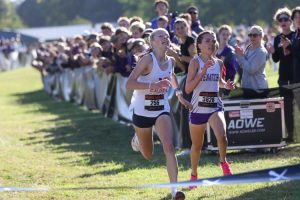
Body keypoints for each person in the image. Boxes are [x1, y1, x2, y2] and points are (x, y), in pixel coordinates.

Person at [126, 28, 192, 200]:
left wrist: (179, 94)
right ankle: (137, 139)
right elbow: (129, 84)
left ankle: (175, 191)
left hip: (161, 109)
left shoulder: (170, 61)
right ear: (152, 41)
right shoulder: (147, 60)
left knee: (169, 147)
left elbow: (171, 77)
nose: (165, 38)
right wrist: (152, 87)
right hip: (141, 111)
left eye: (167, 36)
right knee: (148, 155)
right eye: (160, 36)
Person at [185, 31, 235, 189]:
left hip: (214, 106)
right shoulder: (195, 62)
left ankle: (224, 163)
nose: (211, 43)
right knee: (197, 146)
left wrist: (226, 85)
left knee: (222, 135)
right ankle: (194, 175)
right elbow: (188, 88)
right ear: (199, 45)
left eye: (213, 41)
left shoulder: (219, 63)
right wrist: (203, 71)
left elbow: (218, 81)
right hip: (198, 109)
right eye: (207, 41)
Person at [167, 18, 197, 155]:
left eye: (182, 26)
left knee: (187, 111)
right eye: (177, 27)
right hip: (187, 79)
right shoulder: (182, 42)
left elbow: (196, 60)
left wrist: (177, 56)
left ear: (187, 27)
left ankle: (189, 146)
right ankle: (187, 144)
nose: (180, 29)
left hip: (193, 80)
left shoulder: (190, 41)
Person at [266, 7, 295, 143]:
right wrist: (272, 51)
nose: (283, 22)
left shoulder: (296, 35)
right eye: (280, 19)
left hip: (296, 76)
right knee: (287, 108)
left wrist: (289, 49)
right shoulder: (277, 38)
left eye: (286, 19)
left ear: (291, 20)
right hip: (283, 77)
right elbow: (277, 59)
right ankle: (290, 135)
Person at [235, 25, 269, 99]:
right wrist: (239, 55)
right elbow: (242, 65)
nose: (252, 37)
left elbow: (251, 70)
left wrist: (241, 57)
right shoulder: (249, 48)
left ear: (261, 36)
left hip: (258, 90)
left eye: (255, 35)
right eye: (250, 35)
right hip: (247, 88)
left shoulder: (261, 52)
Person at [216, 24, 239, 96]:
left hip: (226, 81)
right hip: (214, 80)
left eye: (227, 34)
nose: (225, 36)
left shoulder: (230, 50)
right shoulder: (214, 49)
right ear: (219, 35)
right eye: (223, 34)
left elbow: (219, 63)